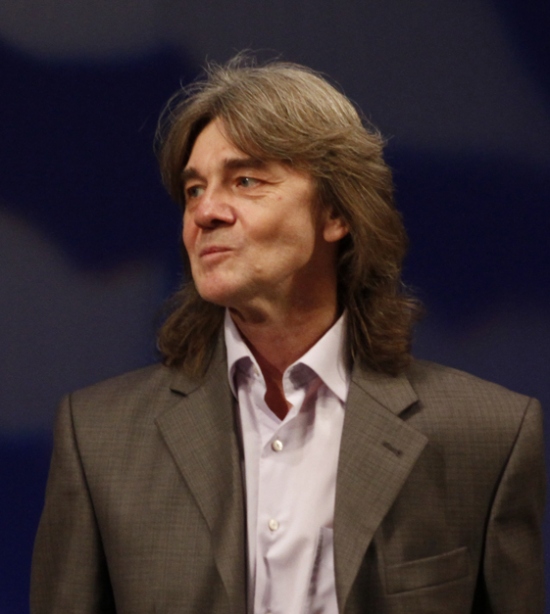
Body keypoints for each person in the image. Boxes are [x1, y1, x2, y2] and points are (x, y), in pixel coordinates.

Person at [31, 57, 545, 613]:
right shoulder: (97, 437)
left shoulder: (487, 434)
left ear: (335, 214)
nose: (205, 212)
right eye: (194, 189)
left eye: (245, 180)